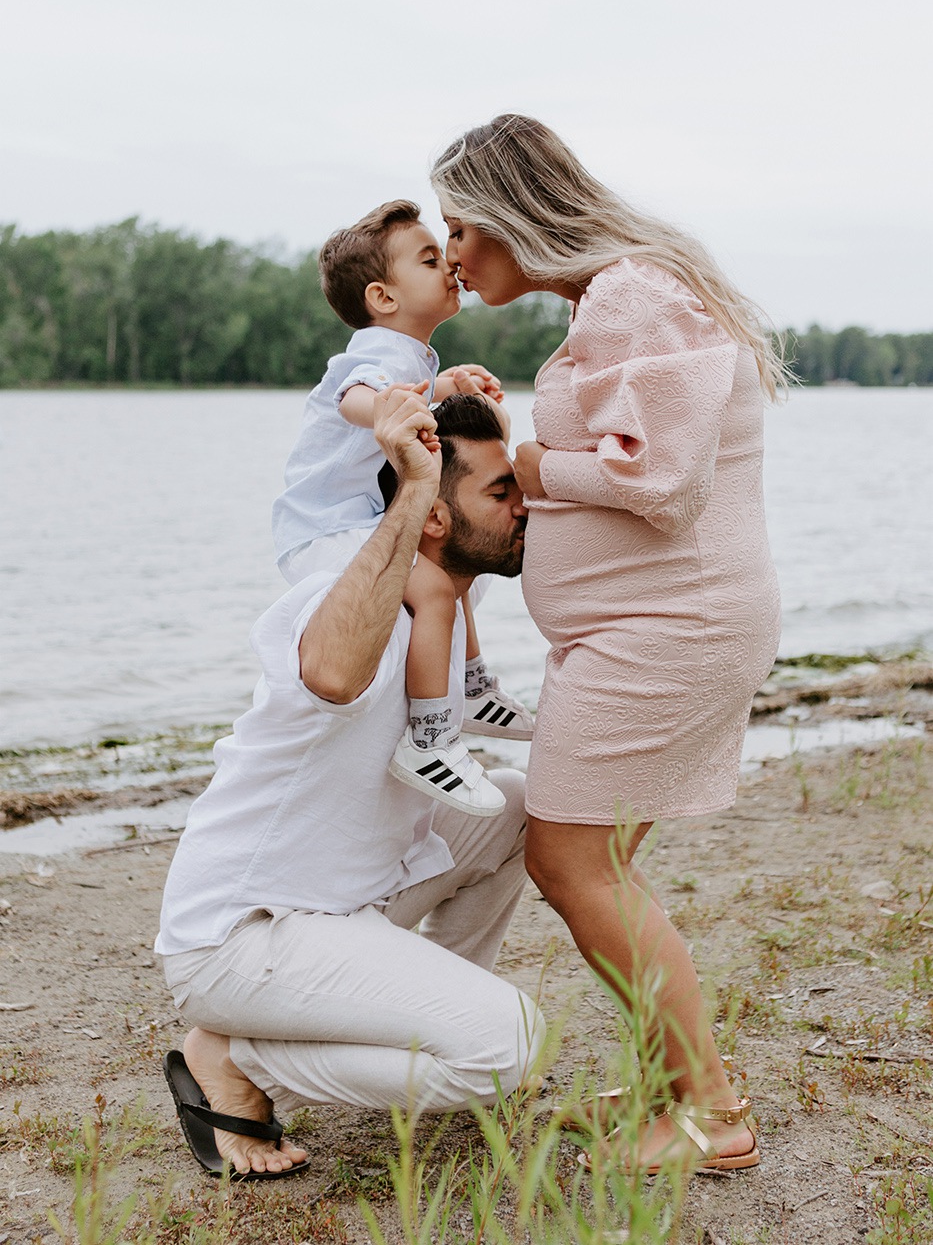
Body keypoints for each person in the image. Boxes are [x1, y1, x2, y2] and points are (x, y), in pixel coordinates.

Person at [430, 114, 785, 1174]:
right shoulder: (614, 300)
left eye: (458, 226)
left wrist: (522, 465)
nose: (450, 254)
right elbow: (631, 454)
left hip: (670, 628)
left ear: (510, 215)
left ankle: (712, 1110)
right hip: (639, 628)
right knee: (601, 862)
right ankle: (677, 1078)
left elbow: (661, 484)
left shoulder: (636, 292)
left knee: (569, 855)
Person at [157, 389, 544, 1180]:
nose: (524, 509)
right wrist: (410, 485)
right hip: (241, 936)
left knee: (514, 804)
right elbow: (334, 674)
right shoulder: (343, 602)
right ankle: (237, 1058)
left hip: (345, 903)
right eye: (502, 495)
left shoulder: (441, 597)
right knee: (511, 1047)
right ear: (432, 519)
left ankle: (434, 1013)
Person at [271, 199, 533, 817]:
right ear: (383, 297)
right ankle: (432, 740)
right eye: (429, 258)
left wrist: (448, 387)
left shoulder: (409, 355)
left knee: (452, 579)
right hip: (323, 531)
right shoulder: (378, 353)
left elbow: (406, 390)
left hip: (353, 523)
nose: (449, 264)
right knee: (438, 590)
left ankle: (469, 688)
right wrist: (386, 409)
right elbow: (353, 395)